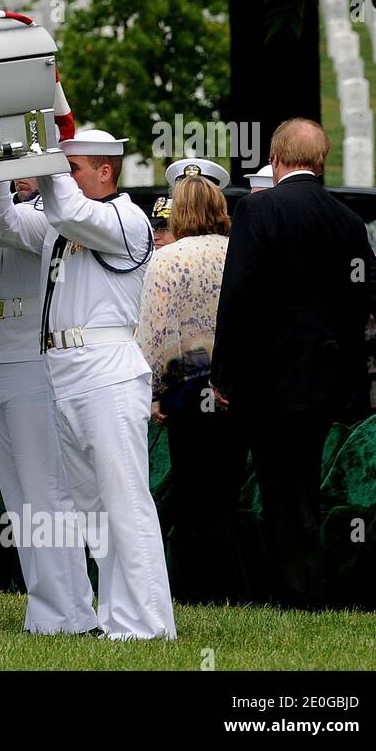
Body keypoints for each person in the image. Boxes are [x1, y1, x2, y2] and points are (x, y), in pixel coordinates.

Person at [0, 129, 175, 638]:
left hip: (106, 367)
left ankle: (148, 622)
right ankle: (116, 617)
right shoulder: (61, 222)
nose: (63, 181)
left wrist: (44, 149)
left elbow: (67, 210)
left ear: (105, 171)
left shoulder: (125, 218)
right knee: (92, 509)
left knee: (123, 498)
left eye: (73, 169)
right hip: (64, 370)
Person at [211, 118, 376, 609]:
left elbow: (238, 296)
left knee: (279, 487)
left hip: (269, 377)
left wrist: (222, 374)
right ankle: (302, 584)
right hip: (326, 378)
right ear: (321, 162)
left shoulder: (258, 209)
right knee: (301, 483)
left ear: (276, 158)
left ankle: (294, 591)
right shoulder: (346, 220)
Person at [0, 178, 99, 634]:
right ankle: (46, 609)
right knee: (19, 496)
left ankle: (72, 611)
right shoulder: (9, 206)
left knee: (45, 490)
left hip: (31, 361)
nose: (19, 175)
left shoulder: (51, 214)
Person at [137, 173, 249, 604]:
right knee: (224, 494)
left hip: (187, 388)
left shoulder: (167, 260)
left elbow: (152, 334)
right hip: (236, 387)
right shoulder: (240, 253)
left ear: (179, 211)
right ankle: (231, 589)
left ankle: (197, 589)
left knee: (191, 495)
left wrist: (153, 391)